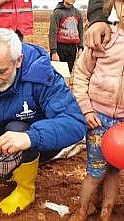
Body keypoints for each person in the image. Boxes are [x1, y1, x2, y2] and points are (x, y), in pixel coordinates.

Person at [0, 28, 87, 215]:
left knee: (18, 128)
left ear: (18, 61)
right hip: (1, 136)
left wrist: (30, 137)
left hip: (38, 141)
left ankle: (25, 189)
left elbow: (74, 123)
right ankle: (7, 166)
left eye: (0, 71)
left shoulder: (42, 76)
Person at [69, 1, 124, 220]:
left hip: (122, 124)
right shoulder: (105, 39)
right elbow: (81, 74)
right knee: (95, 170)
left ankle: (106, 212)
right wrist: (86, 109)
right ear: (118, 6)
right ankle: (82, 210)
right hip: (98, 120)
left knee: (115, 171)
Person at [49, 0, 84, 72]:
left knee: (68, 72)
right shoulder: (57, 13)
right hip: (60, 48)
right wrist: (54, 52)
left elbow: (80, 31)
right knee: (58, 73)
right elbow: (52, 33)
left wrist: (80, 47)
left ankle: (66, 83)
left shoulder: (77, 13)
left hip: (72, 48)